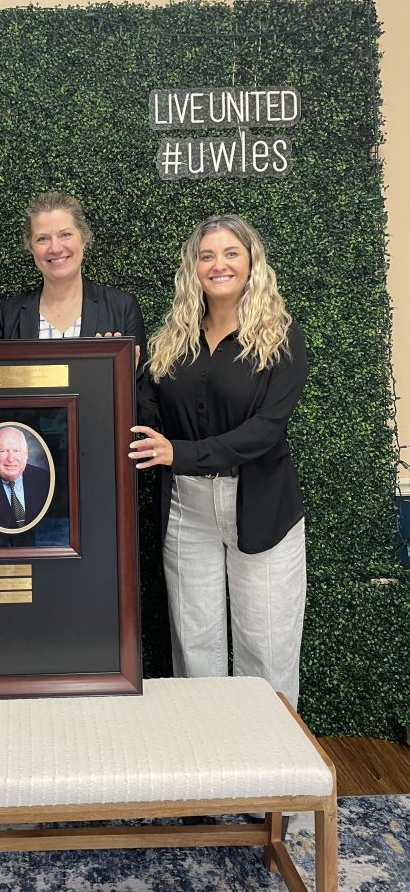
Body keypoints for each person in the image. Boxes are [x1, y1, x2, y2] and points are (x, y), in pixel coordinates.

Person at [129, 213, 308, 708]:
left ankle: (271, 765)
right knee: (195, 646)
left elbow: (265, 432)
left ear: (252, 263)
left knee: (265, 647)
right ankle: (207, 758)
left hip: (260, 506)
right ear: (194, 267)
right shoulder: (174, 337)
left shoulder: (281, 337)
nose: (219, 264)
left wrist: (179, 452)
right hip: (187, 508)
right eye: (207, 255)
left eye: (231, 253)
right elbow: (148, 400)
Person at [0, 191, 147, 355]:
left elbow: (139, 380)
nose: (55, 248)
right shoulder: (7, 315)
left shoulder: (122, 308)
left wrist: (125, 377)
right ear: (31, 247)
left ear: (83, 238)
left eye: (65, 235)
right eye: (43, 238)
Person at [0, 426, 51, 530]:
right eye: (3, 451)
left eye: (16, 451)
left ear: (26, 453)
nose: (11, 459)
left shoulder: (44, 478)